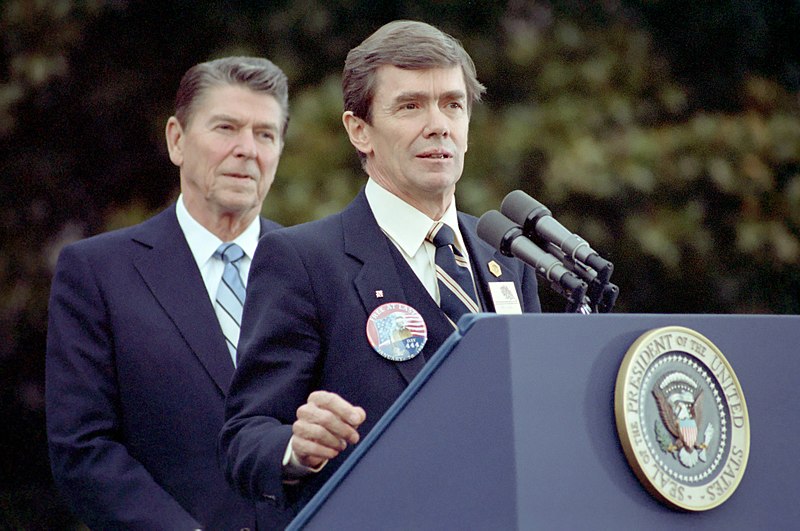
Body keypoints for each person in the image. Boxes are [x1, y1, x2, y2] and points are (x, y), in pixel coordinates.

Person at [220, 20, 541, 516]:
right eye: (410, 106)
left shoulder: (507, 256)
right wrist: (296, 448)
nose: (438, 124)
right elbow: (245, 437)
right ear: (359, 130)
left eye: (453, 105)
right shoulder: (303, 261)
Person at [46, 56, 294, 530]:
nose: (247, 149)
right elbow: (84, 448)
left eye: (265, 134)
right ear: (177, 140)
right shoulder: (98, 273)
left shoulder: (314, 266)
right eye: (226, 127)